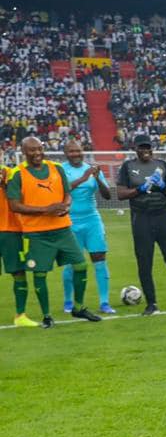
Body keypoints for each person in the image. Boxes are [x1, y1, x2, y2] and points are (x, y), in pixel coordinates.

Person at [7, 137, 101, 327]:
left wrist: (66, 205)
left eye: (39, 149)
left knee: (81, 265)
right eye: (31, 150)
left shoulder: (56, 168)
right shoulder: (18, 174)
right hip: (36, 233)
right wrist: (45, 210)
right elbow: (14, 205)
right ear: (24, 152)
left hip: (63, 229)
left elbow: (67, 193)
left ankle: (79, 307)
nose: (37, 153)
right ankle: (47, 316)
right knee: (40, 274)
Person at [116, 134, 166, 315]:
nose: (145, 151)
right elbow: (120, 193)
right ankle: (152, 304)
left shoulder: (161, 165)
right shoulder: (128, 167)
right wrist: (139, 190)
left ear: (152, 148)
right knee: (144, 261)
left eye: (147, 147)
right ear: (135, 149)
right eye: (141, 147)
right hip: (141, 218)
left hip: (163, 217)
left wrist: (163, 186)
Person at [59, 140, 115, 314]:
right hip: (70, 221)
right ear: (66, 153)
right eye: (72, 151)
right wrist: (84, 177)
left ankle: (104, 303)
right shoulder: (60, 170)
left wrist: (97, 178)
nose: (76, 154)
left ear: (83, 151)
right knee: (71, 263)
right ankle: (68, 301)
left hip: (92, 220)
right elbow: (63, 190)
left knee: (99, 259)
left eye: (79, 151)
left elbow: (107, 196)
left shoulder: (92, 169)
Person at [0, 162, 38, 327]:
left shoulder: (12, 174)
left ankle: (20, 315)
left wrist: (5, 186)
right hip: (9, 229)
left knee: (19, 272)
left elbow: (23, 198)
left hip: (11, 230)